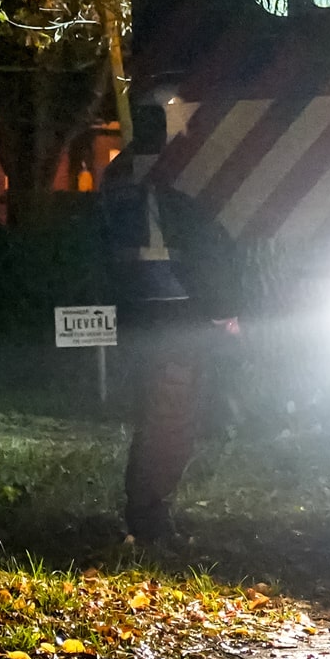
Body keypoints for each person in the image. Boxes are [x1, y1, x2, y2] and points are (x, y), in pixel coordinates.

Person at [100, 106, 244, 543]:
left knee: (154, 410)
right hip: (176, 309)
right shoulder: (176, 175)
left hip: (133, 309)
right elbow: (199, 245)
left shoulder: (116, 173)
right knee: (172, 415)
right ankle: (150, 514)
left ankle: (146, 506)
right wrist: (223, 310)